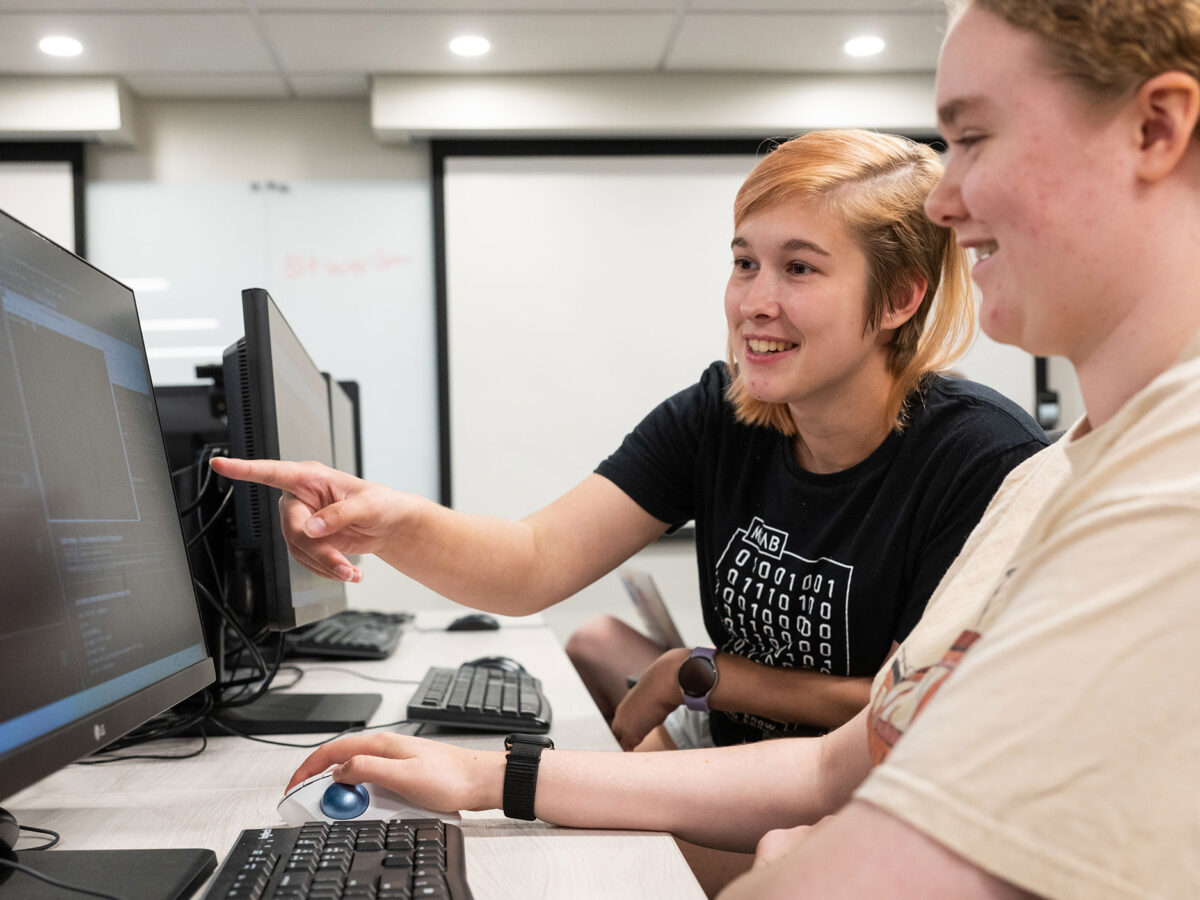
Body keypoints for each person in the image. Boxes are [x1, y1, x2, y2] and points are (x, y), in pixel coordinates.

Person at [214, 0, 1200, 896]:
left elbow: (877, 813)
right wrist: (486, 766)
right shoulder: (1056, 476)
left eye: (976, 137)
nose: (950, 200)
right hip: (770, 797)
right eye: (743, 262)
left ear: (897, 300)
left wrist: (784, 847)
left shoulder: (1054, 476)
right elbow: (842, 758)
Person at [213, 130, 1046, 770]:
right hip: (735, 771)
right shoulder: (722, 411)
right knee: (585, 667)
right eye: (744, 262)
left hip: (856, 808)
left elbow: (906, 713)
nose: (755, 301)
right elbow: (533, 560)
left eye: (799, 269)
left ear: (900, 297)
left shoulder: (976, 459)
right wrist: (388, 521)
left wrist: (711, 672)